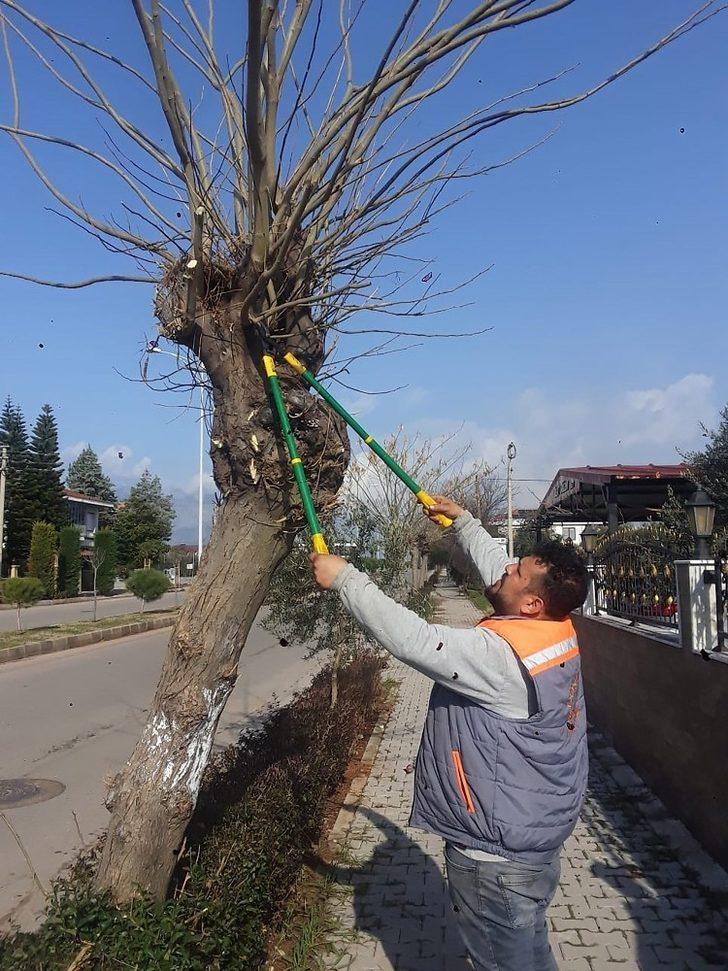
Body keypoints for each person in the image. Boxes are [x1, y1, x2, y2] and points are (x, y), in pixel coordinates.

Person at [309, 496, 590, 971]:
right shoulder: (553, 629)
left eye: (516, 573)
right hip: (535, 832)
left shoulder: (501, 658)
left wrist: (346, 579)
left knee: (505, 962)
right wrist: (463, 522)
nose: (504, 571)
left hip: (494, 855)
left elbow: (414, 640)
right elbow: (499, 567)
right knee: (530, 950)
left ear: (531, 603)